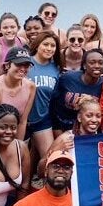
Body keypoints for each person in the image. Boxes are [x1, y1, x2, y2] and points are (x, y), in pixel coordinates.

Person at [0, 47, 36, 141]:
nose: (23, 69)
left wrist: (18, 147)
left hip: (15, 136)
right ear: (7, 65)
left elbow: (23, 121)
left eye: (26, 65)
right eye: (19, 64)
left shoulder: (31, 87)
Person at [26, 31, 62, 163]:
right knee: (20, 159)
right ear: (37, 45)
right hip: (21, 119)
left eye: (53, 46)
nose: (49, 48)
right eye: (45, 44)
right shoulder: (26, 63)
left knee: (49, 159)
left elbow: (54, 98)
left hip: (42, 118)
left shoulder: (55, 69)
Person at [51, 49, 103, 137]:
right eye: (92, 62)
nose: (97, 66)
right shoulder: (67, 78)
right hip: (61, 127)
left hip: (87, 131)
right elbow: (53, 105)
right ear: (84, 65)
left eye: (100, 63)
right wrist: (57, 130)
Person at [0, 12, 28, 77]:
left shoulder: (22, 41)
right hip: (1, 83)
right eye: (5, 28)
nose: (9, 30)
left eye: (12, 27)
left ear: (18, 28)